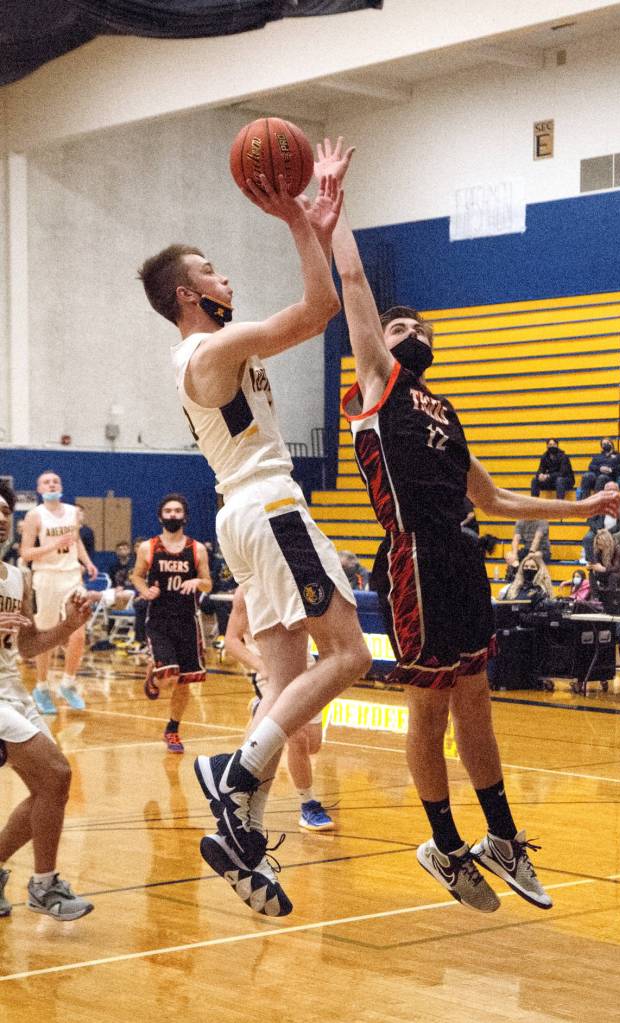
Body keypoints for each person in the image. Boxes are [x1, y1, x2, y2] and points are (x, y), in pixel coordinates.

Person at [321, 135, 620, 914]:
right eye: (399, 328)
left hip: (461, 557)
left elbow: (493, 501)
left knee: (475, 699)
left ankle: (499, 836)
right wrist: (331, 215)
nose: (413, 331)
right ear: (378, 347)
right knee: (427, 705)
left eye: (422, 328)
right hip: (414, 556)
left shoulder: (443, 409)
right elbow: (353, 280)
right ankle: (443, 844)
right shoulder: (377, 388)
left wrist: (580, 507)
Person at [138, 171, 371, 916]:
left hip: (242, 514)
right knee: (350, 655)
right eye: (210, 268)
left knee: (283, 684)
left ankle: (242, 832)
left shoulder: (206, 353)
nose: (224, 275)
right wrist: (306, 223)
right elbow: (321, 308)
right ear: (185, 294)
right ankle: (235, 774)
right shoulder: (209, 349)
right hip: (269, 508)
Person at [0, 480, 94, 920]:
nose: (2, 518)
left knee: (48, 786)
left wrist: (69, 624)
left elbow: (28, 646)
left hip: (12, 691)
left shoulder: (18, 577)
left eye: (6, 512)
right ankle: (44, 886)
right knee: (57, 773)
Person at [224, 586, 334, 831]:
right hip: (271, 673)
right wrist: (259, 665)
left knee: (313, 744)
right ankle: (308, 805)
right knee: (298, 737)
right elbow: (231, 639)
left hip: (306, 667)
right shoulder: (247, 591)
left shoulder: (295, 582)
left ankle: (261, 712)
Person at [130, 494, 211, 753]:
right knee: (169, 679)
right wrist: (145, 591)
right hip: (159, 620)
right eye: (168, 510)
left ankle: (173, 729)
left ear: (184, 516)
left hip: (188, 621)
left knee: (184, 680)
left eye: (178, 511)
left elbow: (208, 582)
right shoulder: (149, 548)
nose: (173, 515)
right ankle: (153, 677)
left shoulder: (197, 549)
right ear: (160, 516)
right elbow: (136, 576)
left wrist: (197, 582)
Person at [20, 471, 98, 715]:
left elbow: (76, 542)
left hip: (72, 576)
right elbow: (25, 554)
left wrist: (87, 562)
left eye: (56, 481)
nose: (52, 484)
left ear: (61, 486)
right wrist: (53, 545)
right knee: (47, 636)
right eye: (46, 481)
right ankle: (42, 687)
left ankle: (68, 683)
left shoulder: (73, 512)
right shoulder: (35, 515)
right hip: (46, 578)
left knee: (78, 633)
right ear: (39, 489)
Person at [588, 529, 620, 614]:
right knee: (591, 573)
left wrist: (603, 569)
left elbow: (616, 568)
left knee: (613, 576)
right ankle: (596, 598)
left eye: (601, 544)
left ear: (606, 543)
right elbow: (596, 563)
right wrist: (592, 566)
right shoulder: (598, 551)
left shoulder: (617, 549)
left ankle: (610, 600)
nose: (599, 547)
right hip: (608, 574)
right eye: (598, 544)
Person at [579, 479, 620, 564]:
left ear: (618, 492)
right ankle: (591, 561)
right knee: (588, 537)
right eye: (608, 491)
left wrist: (608, 532)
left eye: (613, 491)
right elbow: (590, 521)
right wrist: (599, 530)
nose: (611, 493)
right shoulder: (597, 503)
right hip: (599, 531)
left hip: (616, 531)